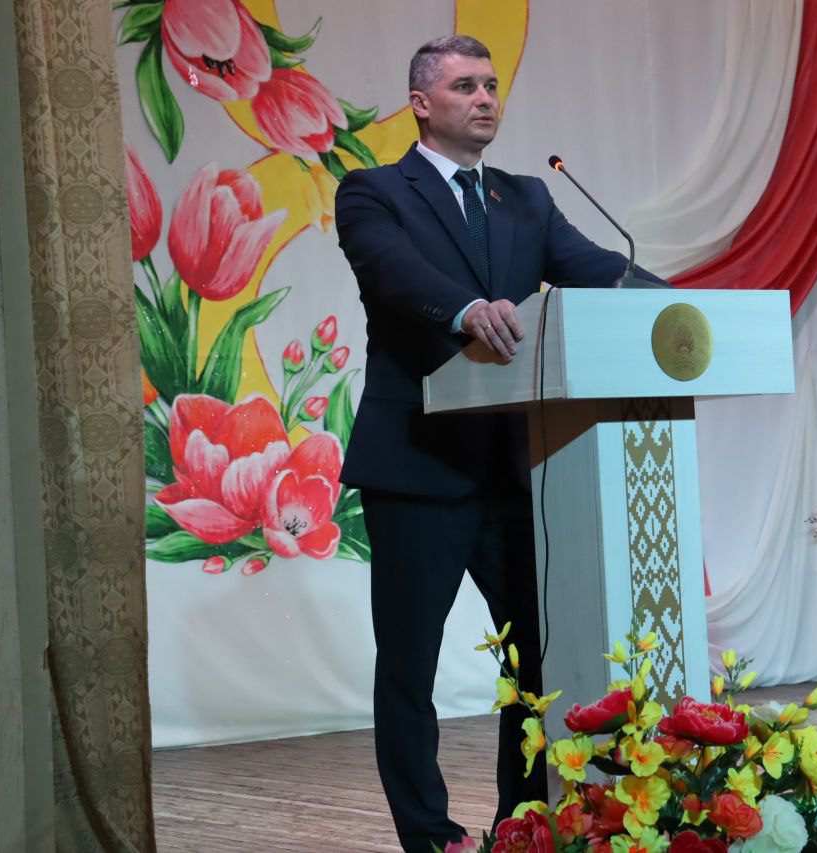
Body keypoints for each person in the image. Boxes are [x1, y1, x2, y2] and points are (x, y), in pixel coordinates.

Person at [333, 34, 664, 852]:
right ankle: (430, 836)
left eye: (490, 85)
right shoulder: (374, 191)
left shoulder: (525, 198)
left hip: (515, 472)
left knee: (538, 664)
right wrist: (464, 309)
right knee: (409, 666)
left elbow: (596, 268)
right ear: (421, 103)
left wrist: (684, 302)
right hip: (417, 466)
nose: (485, 97)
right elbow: (393, 273)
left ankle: (523, 823)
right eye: (465, 86)